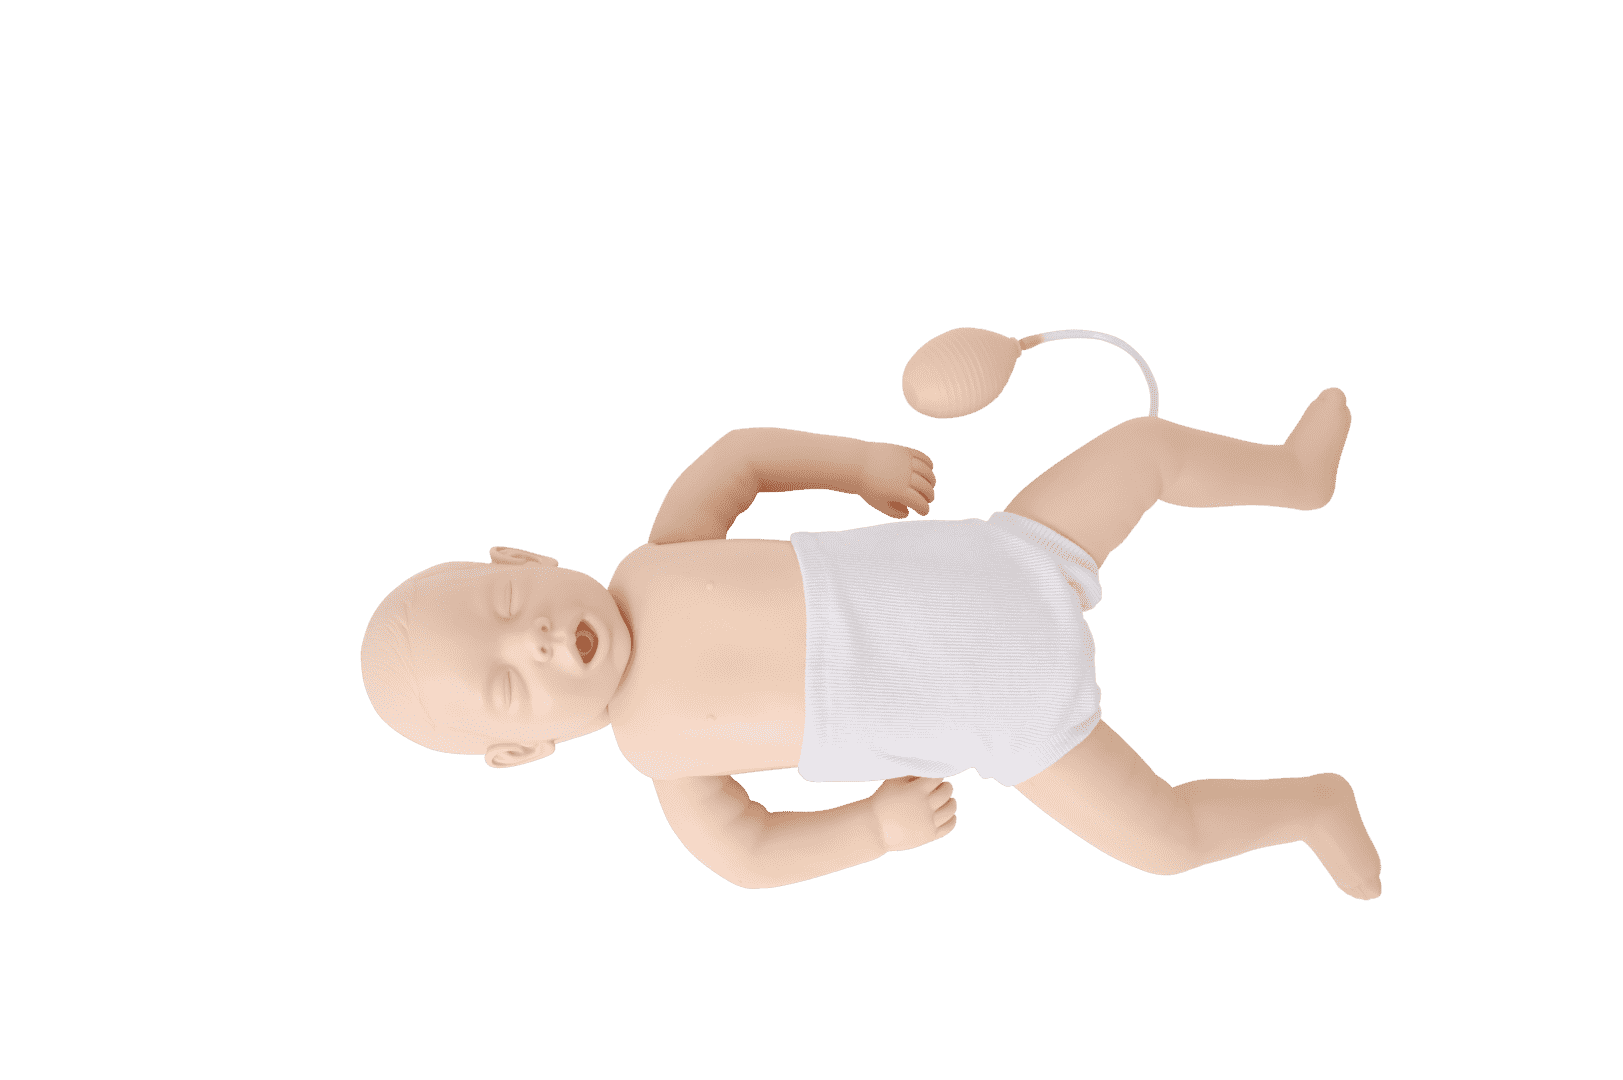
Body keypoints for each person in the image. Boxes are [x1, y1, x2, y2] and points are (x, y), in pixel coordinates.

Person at [360, 389, 1381, 899]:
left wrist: (857, 464)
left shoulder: (660, 554)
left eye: (507, 603)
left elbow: (741, 457)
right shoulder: (665, 756)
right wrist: (872, 830)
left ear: (523, 557)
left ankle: (1294, 475)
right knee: (1162, 841)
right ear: (524, 749)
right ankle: (1311, 807)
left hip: (1015, 558)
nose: (534, 643)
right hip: (1019, 728)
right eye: (507, 687)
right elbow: (748, 854)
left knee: (1141, 449)